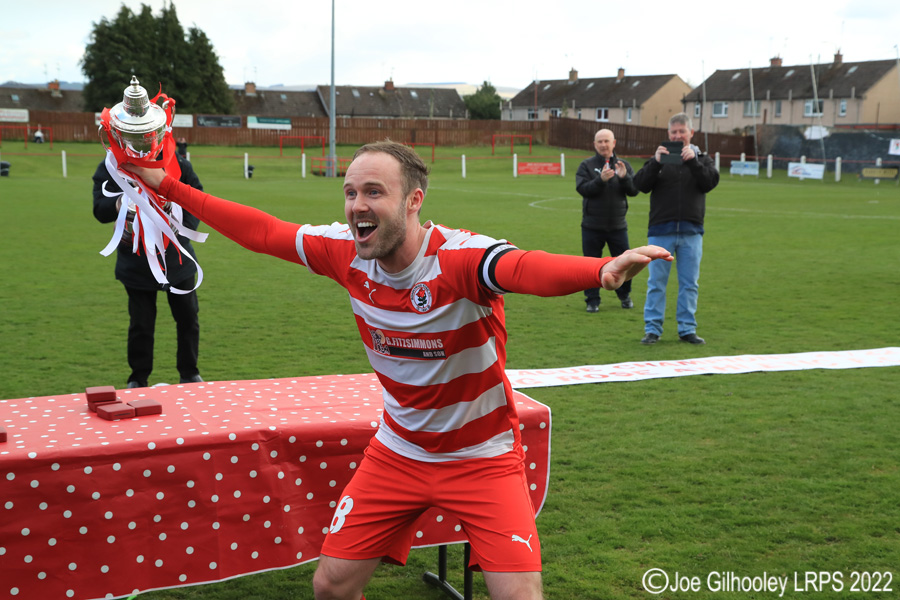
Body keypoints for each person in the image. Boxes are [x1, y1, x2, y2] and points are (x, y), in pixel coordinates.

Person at [125, 140, 672, 600]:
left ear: (414, 201)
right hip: (399, 452)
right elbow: (264, 232)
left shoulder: (459, 258)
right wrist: (167, 185)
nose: (357, 205)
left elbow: (522, 267)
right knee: (331, 586)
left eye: (373, 192)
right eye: (350, 192)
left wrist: (598, 269)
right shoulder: (347, 253)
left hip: (482, 457)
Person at [92, 152, 205, 388]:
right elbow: (100, 210)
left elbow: (197, 199)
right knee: (141, 324)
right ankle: (138, 378)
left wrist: (180, 231)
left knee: (188, 319)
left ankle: (189, 373)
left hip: (177, 260)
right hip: (136, 260)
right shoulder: (112, 167)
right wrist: (120, 203)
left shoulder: (178, 163)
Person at [633, 113, 719, 345]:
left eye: (682, 131)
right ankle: (652, 329)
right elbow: (639, 184)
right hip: (661, 231)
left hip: (691, 232)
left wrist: (693, 162)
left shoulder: (703, 159)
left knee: (689, 284)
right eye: (674, 132)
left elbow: (710, 182)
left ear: (691, 133)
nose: (678, 136)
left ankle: (687, 329)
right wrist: (655, 162)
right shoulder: (659, 160)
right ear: (668, 135)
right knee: (656, 284)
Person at [575, 128, 639, 312]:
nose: (603, 144)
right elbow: (582, 189)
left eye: (606, 141)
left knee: (625, 263)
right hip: (591, 226)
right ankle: (592, 301)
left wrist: (624, 178)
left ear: (614, 143)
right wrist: (600, 180)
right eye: (600, 141)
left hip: (618, 226)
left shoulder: (623, 165)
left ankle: (624, 295)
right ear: (595, 145)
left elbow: (634, 190)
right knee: (590, 265)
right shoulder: (586, 166)